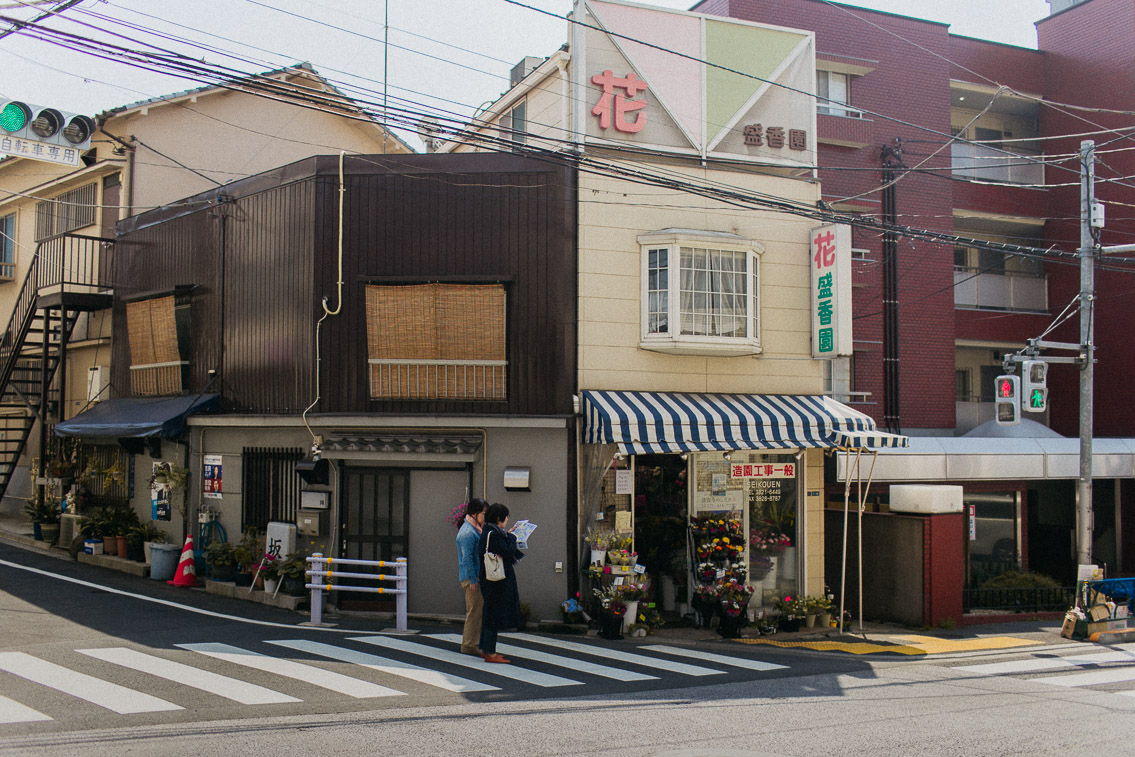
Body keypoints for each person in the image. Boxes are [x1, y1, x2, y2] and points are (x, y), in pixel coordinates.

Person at [478, 502, 524, 663]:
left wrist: (507, 535)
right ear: (499, 518)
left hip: (489, 579)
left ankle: (485, 649)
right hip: (495, 581)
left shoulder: (490, 532)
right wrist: (512, 536)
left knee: (489, 613)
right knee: (493, 615)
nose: (506, 522)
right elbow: (508, 550)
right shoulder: (494, 534)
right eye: (505, 518)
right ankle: (490, 653)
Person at [455, 499, 488, 656]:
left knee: (477, 611)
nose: (485, 516)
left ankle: (474, 643)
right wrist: (473, 580)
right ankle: (469, 644)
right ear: (474, 513)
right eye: (483, 513)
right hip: (472, 577)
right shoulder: (468, 533)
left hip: (475, 575)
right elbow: (467, 558)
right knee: (474, 611)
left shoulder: (474, 529)